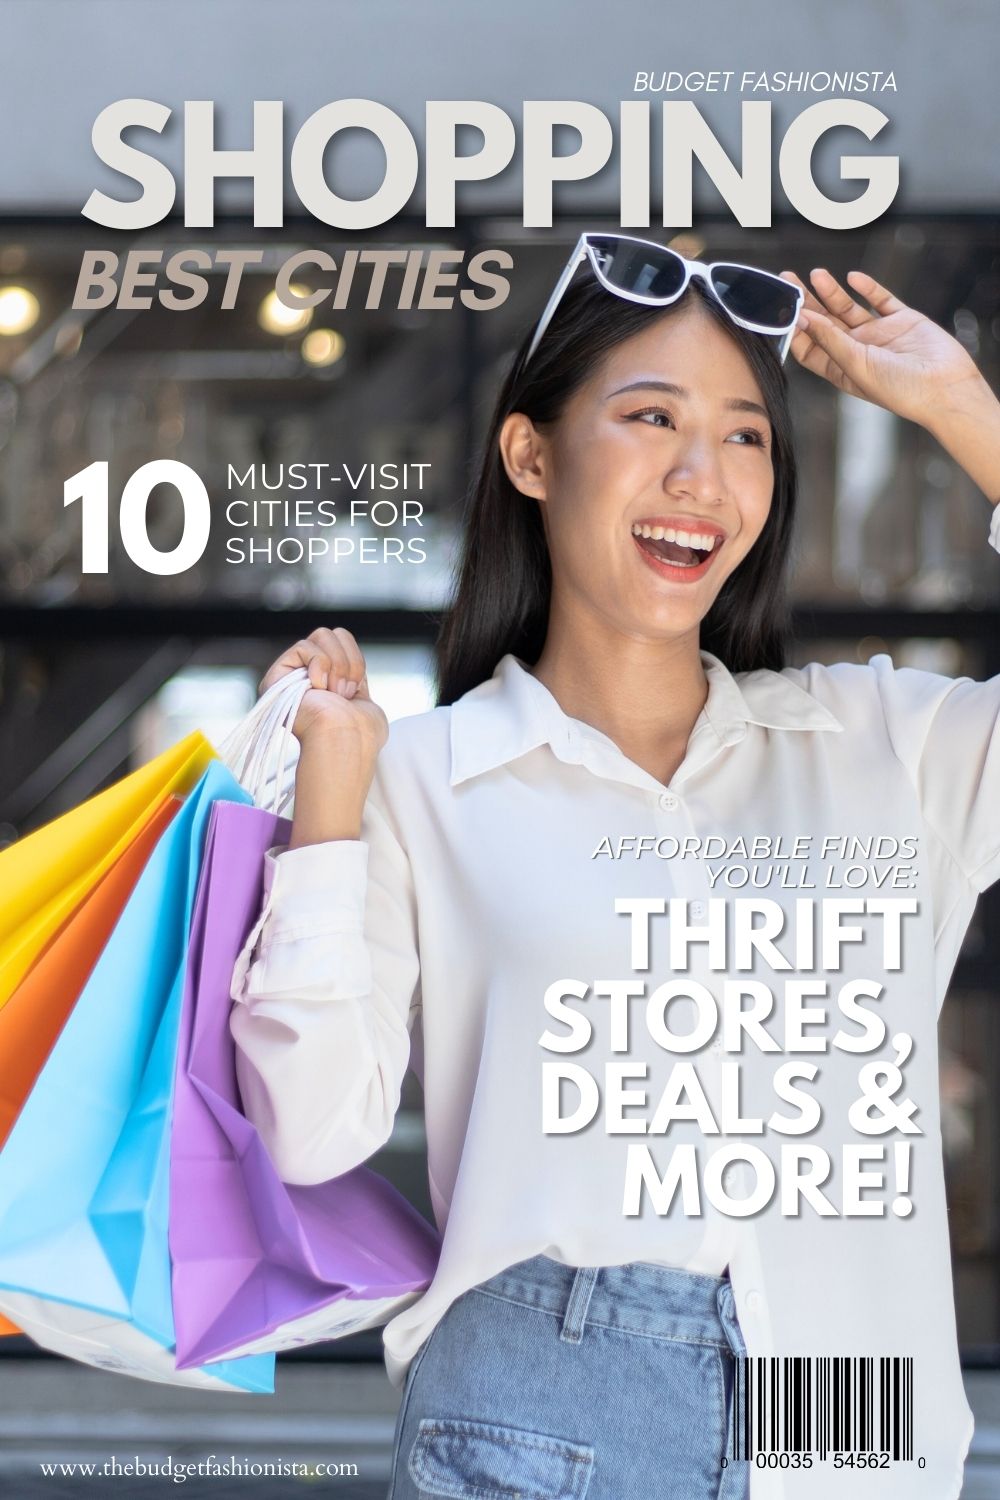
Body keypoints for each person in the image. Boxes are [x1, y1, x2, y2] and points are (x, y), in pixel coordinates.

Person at [228, 238, 1000, 1500]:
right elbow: (314, 1134)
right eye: (651, 417)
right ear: (530, 454)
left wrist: (961, 409)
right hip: (538, 1407)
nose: (701, 477)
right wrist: (326, 807)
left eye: (745, 436)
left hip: (850, 1414)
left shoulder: (888, 749)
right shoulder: (424, 779)